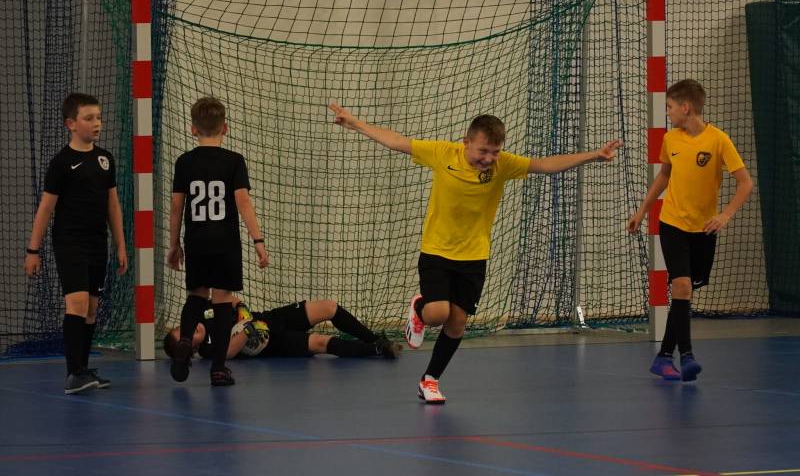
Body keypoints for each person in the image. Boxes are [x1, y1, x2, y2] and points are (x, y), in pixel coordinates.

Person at [328, 101, 621, 404]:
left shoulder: (503, 165)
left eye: (495, 152)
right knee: (438, 314)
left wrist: (593, 155)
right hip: (437, 251)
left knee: (457, 323)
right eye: (483, 151)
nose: (489, 158)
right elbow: (397, 141)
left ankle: (430, 380)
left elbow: (544, 165)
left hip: (474, 257)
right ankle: (419, 308)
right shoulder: (443, 153)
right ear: (466, 141)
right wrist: (356, 123)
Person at [627, 79, 752, 382]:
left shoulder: (719, 140)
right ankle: (687, 356)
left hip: (704, 230)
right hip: (672, 224)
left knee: (685, 294)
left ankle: (663, 357)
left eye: (670, 107)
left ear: (686, 108)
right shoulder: (671, 139)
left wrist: (725, 215)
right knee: (681, 287)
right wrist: (642, 210)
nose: (667, 112)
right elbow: (664, 176)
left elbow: (745, 183)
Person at [24, 93, 128, 394]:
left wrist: (120, 245)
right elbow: (46, 208)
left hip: (98, 243)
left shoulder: (105, 159)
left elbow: (113, 205)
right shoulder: (61, 163)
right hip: (70, 243)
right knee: (78, 304)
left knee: (92, 308)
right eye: (89, 118)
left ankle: (83, 369)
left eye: (99, 117)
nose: (97, 123)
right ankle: (73, 374)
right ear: (71, 124)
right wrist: (33, 250)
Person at [166, 96, 269, 386]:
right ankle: (219, 368)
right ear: (225, 127)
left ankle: (185, 341)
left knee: (196, 296)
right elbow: (243, 202)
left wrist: (174, 244)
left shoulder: (184, 162)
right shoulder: (234, 161)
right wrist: (258, 241)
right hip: (225, 242)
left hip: (197, 240)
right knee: (223, 302)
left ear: (192, 129)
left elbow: (176, 207)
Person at [163, 296, 401, 361]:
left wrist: (243, 311)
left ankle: (373, 338)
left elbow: (231, 299)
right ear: (191, 348)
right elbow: (229, 352)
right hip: (270, 343)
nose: (191, 331)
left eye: (184, 329)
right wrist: (248, 329)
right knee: (320, 342)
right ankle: (378, 350)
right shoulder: (208, 350)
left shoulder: (203, 311)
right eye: (186, 338)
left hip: (271, 318)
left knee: (328, 307)